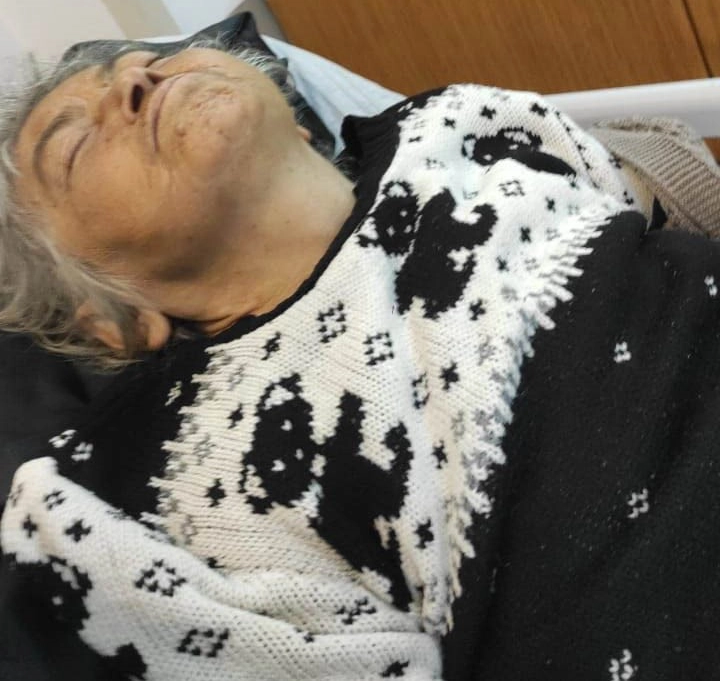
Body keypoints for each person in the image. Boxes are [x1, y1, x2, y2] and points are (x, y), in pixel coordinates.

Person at [2, 41, 720, 681]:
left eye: (150, 62)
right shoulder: (151, 494)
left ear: (297, 126)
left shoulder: (453, 124)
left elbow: (666, 192)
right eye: (74, 145)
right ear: (110, 317)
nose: (138, 80)